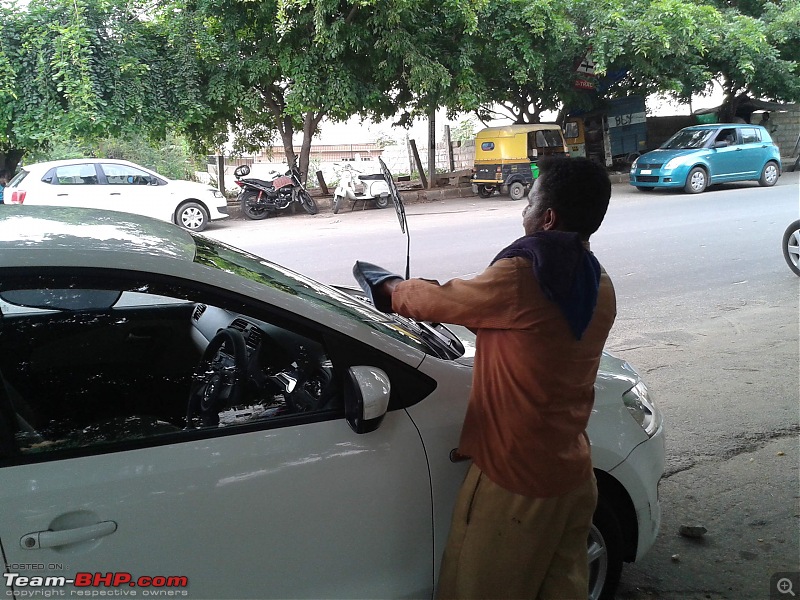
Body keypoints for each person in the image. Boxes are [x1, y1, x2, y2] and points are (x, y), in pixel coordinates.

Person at [372, 156, 616, 598]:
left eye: (528, 205)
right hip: (574, 475)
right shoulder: (598, 283)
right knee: (561, 589)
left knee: (477, 588)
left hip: (517, 480)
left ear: (547, 217)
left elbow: (441, 303)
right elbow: (526, 329)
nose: (521, 213)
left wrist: (388, 289)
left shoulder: (524, 274)